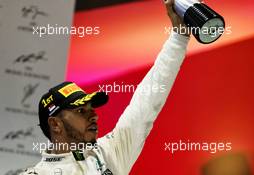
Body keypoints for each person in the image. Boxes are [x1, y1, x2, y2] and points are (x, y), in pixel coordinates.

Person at [21, 0, 190, 174]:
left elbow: (146, 103)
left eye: (91, 108)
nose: (94, 115)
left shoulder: (108, 152)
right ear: (55, 124)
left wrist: (179, 37)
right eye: (81, 111)